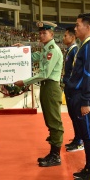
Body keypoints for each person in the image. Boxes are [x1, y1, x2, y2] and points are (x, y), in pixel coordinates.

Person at [14, 21, 64, 167]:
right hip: (46, 87)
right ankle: (53, 152)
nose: (41, 35)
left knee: (54, 121)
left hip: (51, 87)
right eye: (40, 33)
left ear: (52, 34)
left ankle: (56, 156)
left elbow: (44, 73)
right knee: (50, 120)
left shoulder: (53, 50)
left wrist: (24, 81)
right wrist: (23, 49)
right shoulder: (45, 49)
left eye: (44, 33)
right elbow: (35, 57)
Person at [67, 13, 90, 180]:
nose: (75, 28)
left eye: (78, 24)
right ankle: (88, 167)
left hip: (83, 96)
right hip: (79, 95)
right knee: (86, 135)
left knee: (89, 136)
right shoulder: (85, 45)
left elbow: (88, 75)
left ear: (87, 27)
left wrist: (86, 101)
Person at [62, 27, 84, 152]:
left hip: (72, 88)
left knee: (76, 115)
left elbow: (75, 72)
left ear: (72, 37)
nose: (63, 38)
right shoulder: (69, 50)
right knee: (72, 115)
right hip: (68, 87)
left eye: (66, 36)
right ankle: (77, 138)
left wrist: (70, 85)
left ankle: (79, 141)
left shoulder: (75, 50)